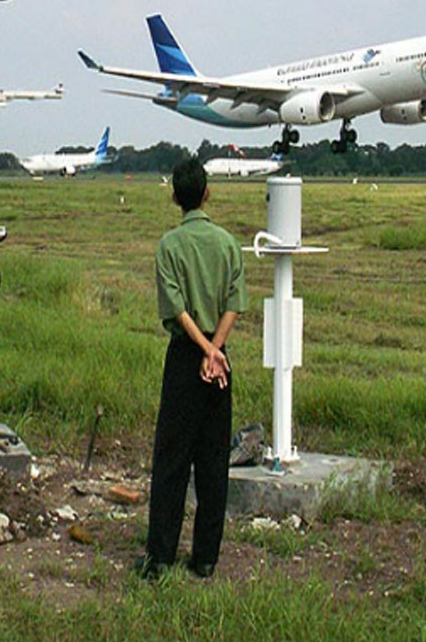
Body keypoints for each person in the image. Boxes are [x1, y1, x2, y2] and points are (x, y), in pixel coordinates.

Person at [138, 156, 248, 579]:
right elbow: (235, 303)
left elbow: (176, 308)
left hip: (186, 356)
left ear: (174, 198)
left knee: (171, 461)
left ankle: (160, 556)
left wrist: (202, 349)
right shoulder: (227, 244)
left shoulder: (169, 245)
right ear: (207, 193)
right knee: (213, 459)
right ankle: (205, 557)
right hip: (218, 361)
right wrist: (217, 351)